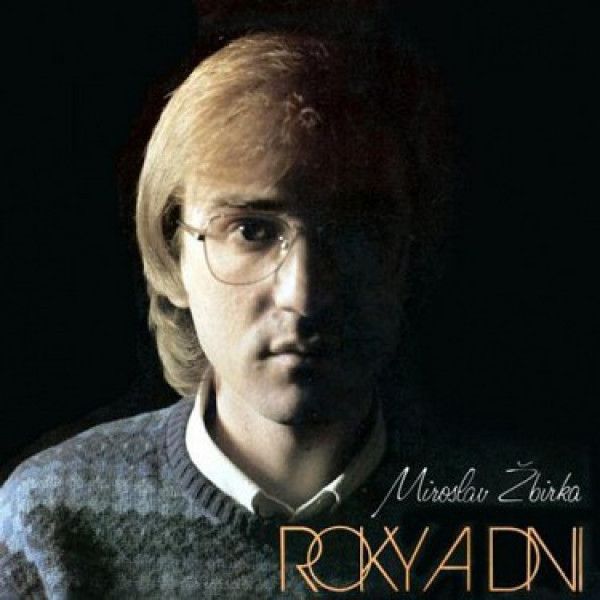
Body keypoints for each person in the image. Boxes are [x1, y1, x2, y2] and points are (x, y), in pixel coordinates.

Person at [0, 30, 457, 598]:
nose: (304, 296)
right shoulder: (50, 522)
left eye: (353, 233)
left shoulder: (515, 516)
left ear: (404, 255)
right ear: (173, 252)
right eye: (252, 230)